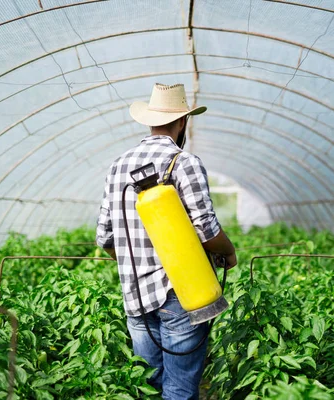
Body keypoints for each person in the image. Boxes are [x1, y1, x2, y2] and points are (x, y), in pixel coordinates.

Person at [96, 83, 237, 399]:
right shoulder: (184, 162)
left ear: (149, 120)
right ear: (183, 121)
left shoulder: (118, 165)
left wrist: (136, 265)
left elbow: (104, 236)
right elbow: (206, 228)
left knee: (147, 385)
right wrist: (229, 252)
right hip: (181, 292)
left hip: (134, 296)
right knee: (180, 388)